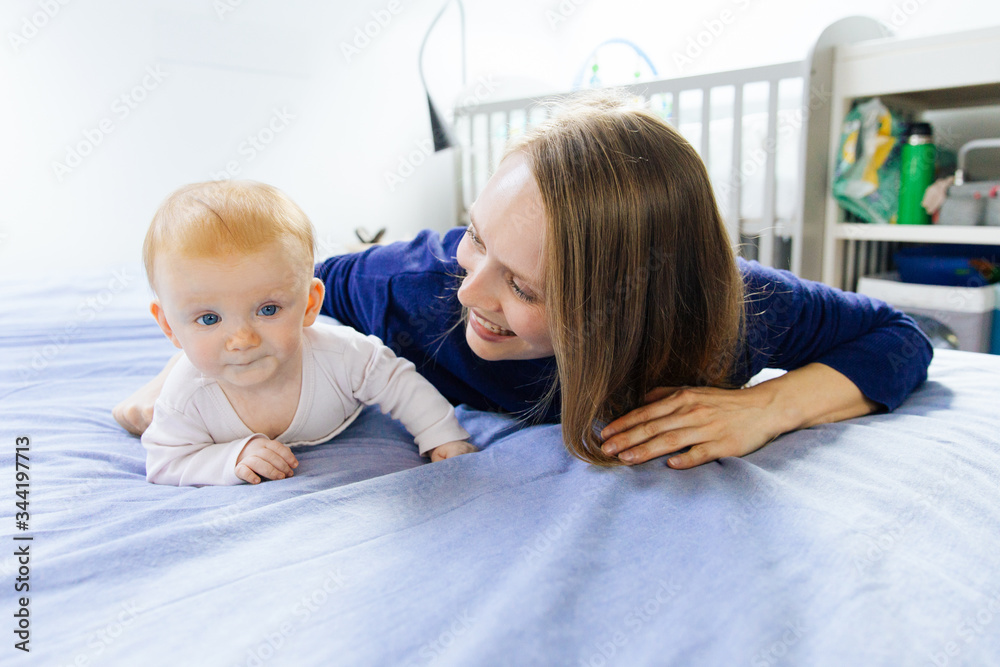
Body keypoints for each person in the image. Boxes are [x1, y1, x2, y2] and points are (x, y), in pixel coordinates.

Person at [116, 92, 933, 470]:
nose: (472, 295)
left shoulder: (739, 309)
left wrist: (770, 406)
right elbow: (301, 287)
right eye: (478, 235)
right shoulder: (422, 286)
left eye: (526, 289)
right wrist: (186, 362)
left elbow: (897, 335)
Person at [134, 180, 476, 486]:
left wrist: (441, 435)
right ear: (168, 326)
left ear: (310, 303)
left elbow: (398, 382)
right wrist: (231, 458)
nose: (242, 340)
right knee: (155, 403)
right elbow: (165, 463)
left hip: (326, 342)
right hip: (189, 378)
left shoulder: (341, 355)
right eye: (209, 319)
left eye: (268, 310)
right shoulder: (186, 396)